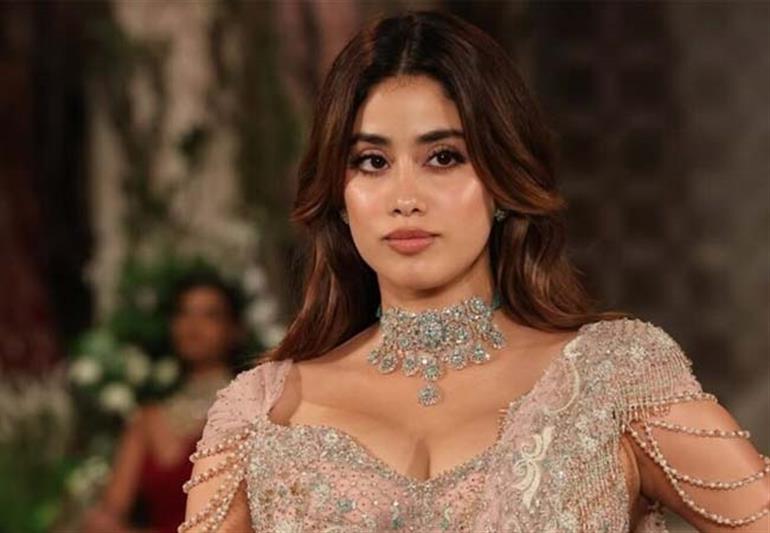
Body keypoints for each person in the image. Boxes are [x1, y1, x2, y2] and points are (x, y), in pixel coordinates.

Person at [180, 10, 769, 532]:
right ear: (339, 194)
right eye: (372, 161)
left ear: (502, 179)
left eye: (443, 157)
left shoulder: (613, 379)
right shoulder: (260, 416)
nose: (404, 198)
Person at [83, 271, 246, 533]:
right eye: (184, 313)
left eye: (210, 315)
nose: (193, 326)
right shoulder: (148, 419)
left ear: (235, 330)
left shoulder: (252, 409)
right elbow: (108, 516)